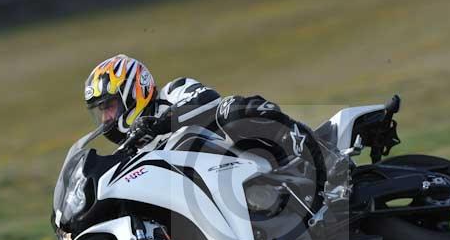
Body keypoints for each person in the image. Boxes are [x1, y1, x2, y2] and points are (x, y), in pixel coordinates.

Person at [84, 54, 350, 198]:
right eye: (100, 111)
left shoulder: (174, 91)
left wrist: (160, 124)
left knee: (231, 110)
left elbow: (207, 101)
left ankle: (325, 160)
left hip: (248, 156)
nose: (106, 118)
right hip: (218, 196)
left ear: (134, 92)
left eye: (109, 106)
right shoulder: (132, 152)